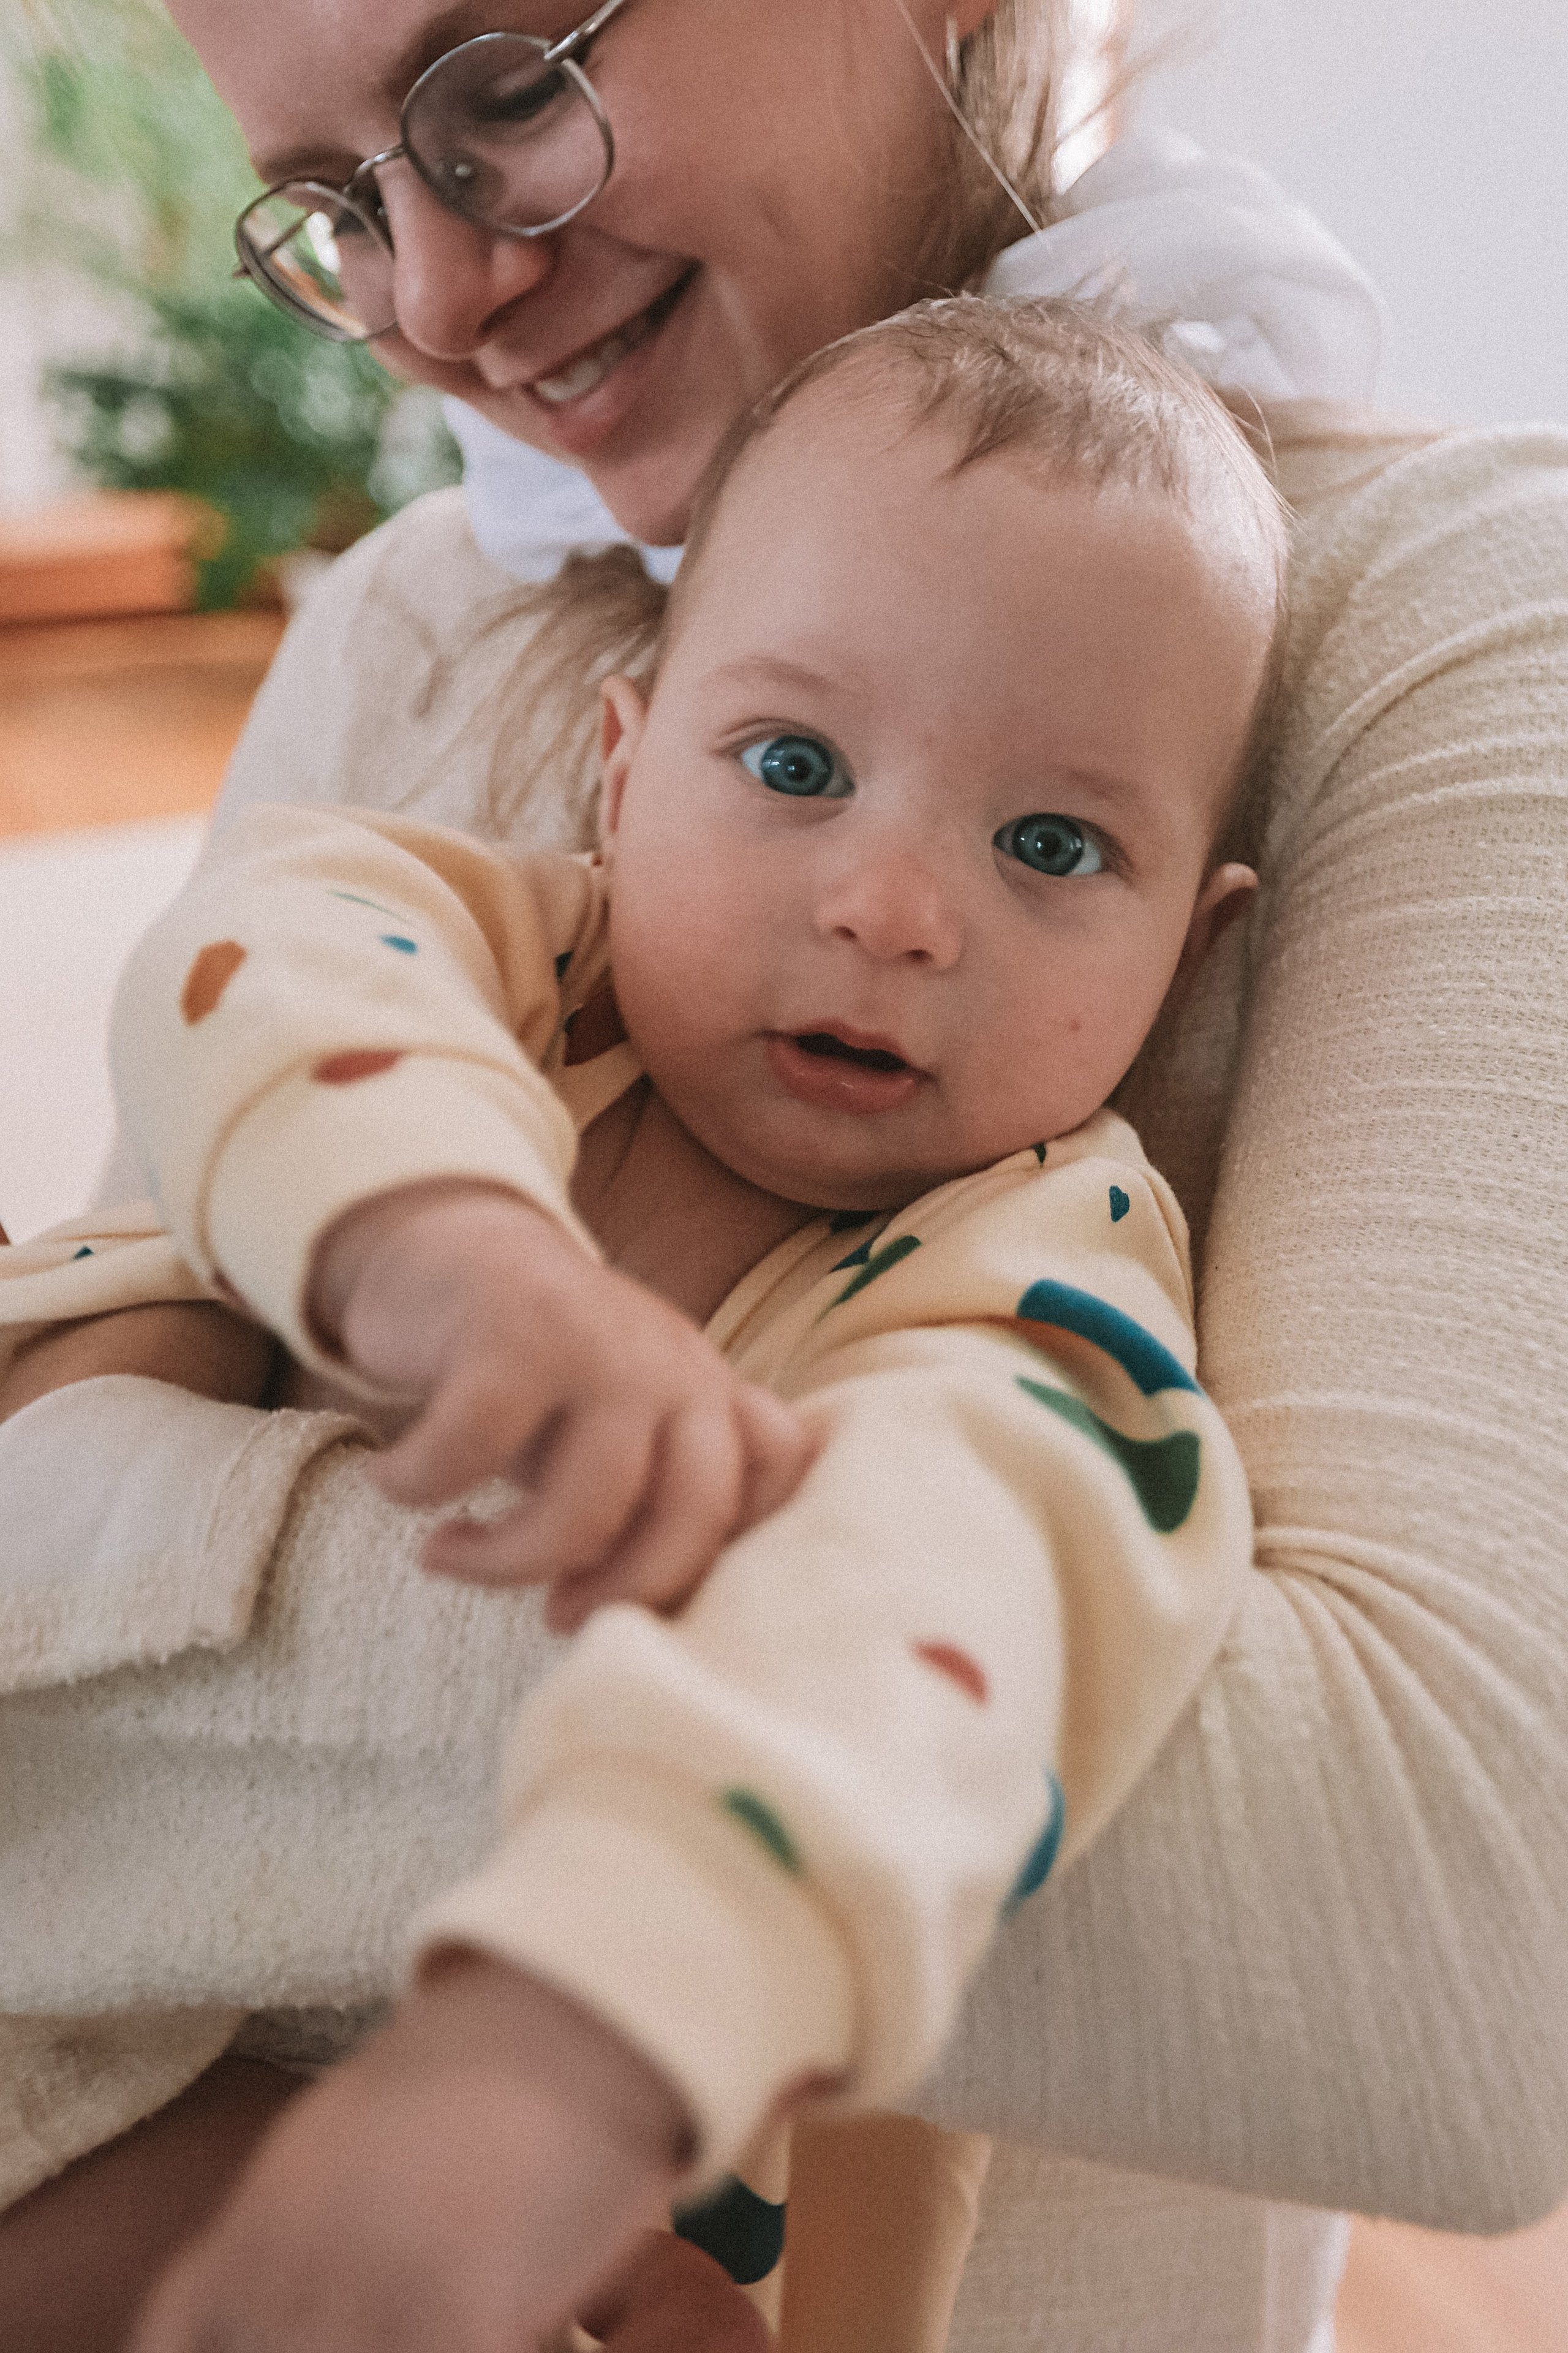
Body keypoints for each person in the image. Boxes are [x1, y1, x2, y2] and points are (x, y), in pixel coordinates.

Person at [0, 1, 1564, 2347]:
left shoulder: (1043, 1240)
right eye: (335, 203)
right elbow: (279, 987)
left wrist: (567, 2037)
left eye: (502, 86)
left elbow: (1432, 1951)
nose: (430, 300)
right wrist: (437, 1255)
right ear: (628, 770)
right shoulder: (425, 645)